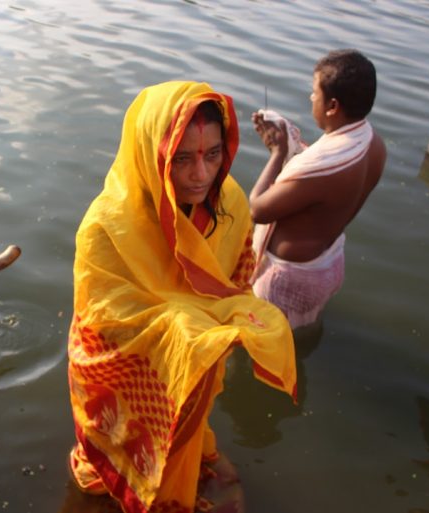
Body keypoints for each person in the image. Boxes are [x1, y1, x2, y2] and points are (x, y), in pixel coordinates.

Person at [67, 81, 297, 513]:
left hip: (193, 362)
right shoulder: (107, 224)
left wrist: (234, 320)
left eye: (213, 155)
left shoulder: (227, 202)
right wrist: (186, 331)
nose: (201, 174)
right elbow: (104, 321)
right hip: (127, 367)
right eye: (183, 158)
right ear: (153, 153)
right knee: (105, 461)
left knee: (184, 438)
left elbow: (237, 277)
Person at [249, 49, 387, 329]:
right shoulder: (373, 144)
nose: (311, 98)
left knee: (267, 350)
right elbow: (320, 181)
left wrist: (277, 152)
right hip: (328, 263)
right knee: (298, 337)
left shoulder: (321, 168)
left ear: (332, 106)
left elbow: (258, 209)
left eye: (314, 93)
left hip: (288, 280)